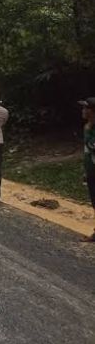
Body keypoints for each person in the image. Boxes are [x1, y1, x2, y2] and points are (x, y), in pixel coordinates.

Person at [78, 97, 95, 243]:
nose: (83, 111)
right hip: (91, 170)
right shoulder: (87, 127)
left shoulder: (90, 129)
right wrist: (86, 171)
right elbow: (87, 152)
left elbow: (92, 147)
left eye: (85, 108)